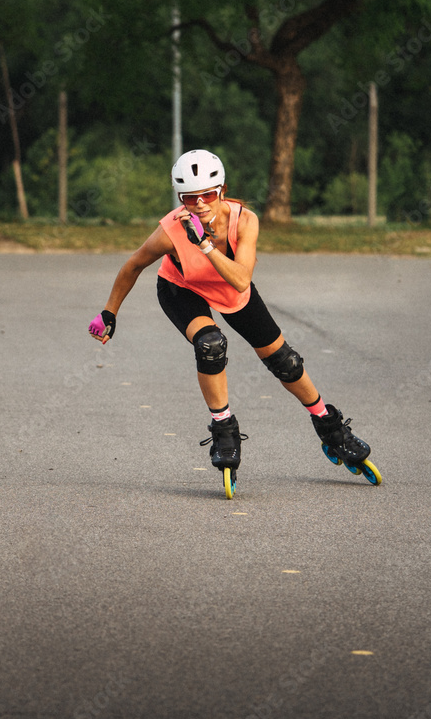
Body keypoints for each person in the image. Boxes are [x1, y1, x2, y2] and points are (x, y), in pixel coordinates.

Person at [88, 148, 378, 489]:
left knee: (285, 361)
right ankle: (224, 430)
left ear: (222, 191)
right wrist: (109, 312)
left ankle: (330, 427)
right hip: (182, 288)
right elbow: (134, 265)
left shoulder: (246, 221)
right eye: (189, 197)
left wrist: (206, 245)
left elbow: (241, 280)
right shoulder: (171, 230)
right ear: (180, 198)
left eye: (208, 195)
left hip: (230, 288)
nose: (199, 204)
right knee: (211, 345)